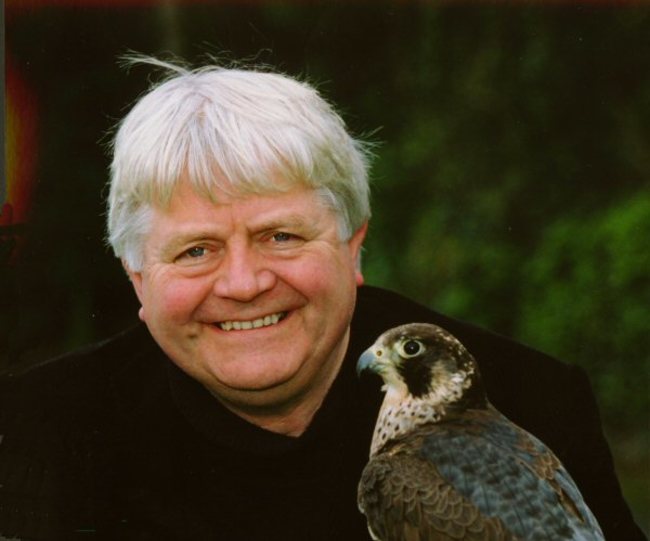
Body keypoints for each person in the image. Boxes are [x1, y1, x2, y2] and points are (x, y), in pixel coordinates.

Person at [0, 57, 645, 541]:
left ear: (352, 245)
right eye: (196, 250)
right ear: (137, 277)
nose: (244, 282)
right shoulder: (33, 438)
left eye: (280, 236)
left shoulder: (539, 404)